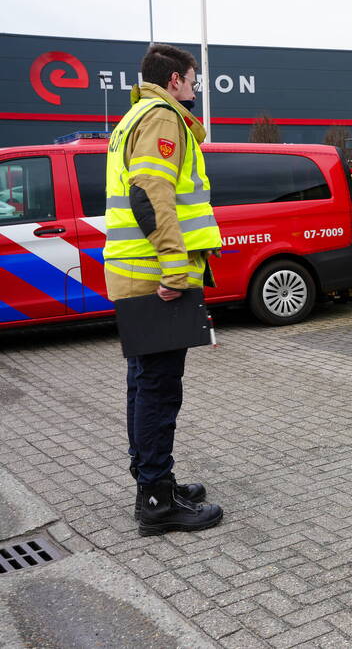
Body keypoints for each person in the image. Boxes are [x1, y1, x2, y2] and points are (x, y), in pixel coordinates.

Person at [103, 43, 224, 536]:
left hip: (136, 270)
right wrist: (175, 267)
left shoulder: (133, 117)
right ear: (174, 79)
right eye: (193, 81)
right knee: (158, 388)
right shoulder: (160, 116)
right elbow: (150, 194)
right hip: (156, 276)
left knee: (143, 383)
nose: (195, 90)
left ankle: (152, 481)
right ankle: (156, 497)